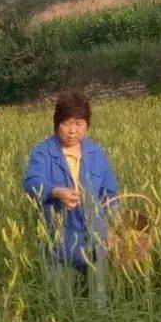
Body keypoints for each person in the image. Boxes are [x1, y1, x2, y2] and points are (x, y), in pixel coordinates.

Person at [23, 91, 119, 276]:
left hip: (96, 244)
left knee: (99, 302)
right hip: (59, 245)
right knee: (63, 302)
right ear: (57, 124)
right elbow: (31, 183)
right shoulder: (43, 152)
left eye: (79, 124)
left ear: (87, 126)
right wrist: (55, 191)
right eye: (67, 123)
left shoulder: (96, 153)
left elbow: (110, 194)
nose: (73, 130)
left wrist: (113, 227)